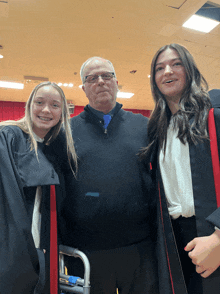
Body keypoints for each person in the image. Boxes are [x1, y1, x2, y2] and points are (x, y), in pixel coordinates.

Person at [50, 57, 159, 294]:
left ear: (117, 82)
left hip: (140, 249)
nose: (100, 82)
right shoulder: (65, 132)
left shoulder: (144, 126)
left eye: (106, 76)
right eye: (92, 78)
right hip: (86, 252)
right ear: (84, 88)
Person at [140, 43, 220, 294]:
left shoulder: (213, 115)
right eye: (159, 67)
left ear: (190, 71)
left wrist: (219, 238)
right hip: (176, 237)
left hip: (210, 230)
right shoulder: (158, 130)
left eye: (176, 64)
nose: (167, 72)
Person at [0, 81, 77, 294]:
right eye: (39, 102)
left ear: (62, 113)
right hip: (12, 250)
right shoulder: (10, 138)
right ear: (29, 105)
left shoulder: (53, 149)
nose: (45, 110)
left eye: (54, 105)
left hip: (41, 249)